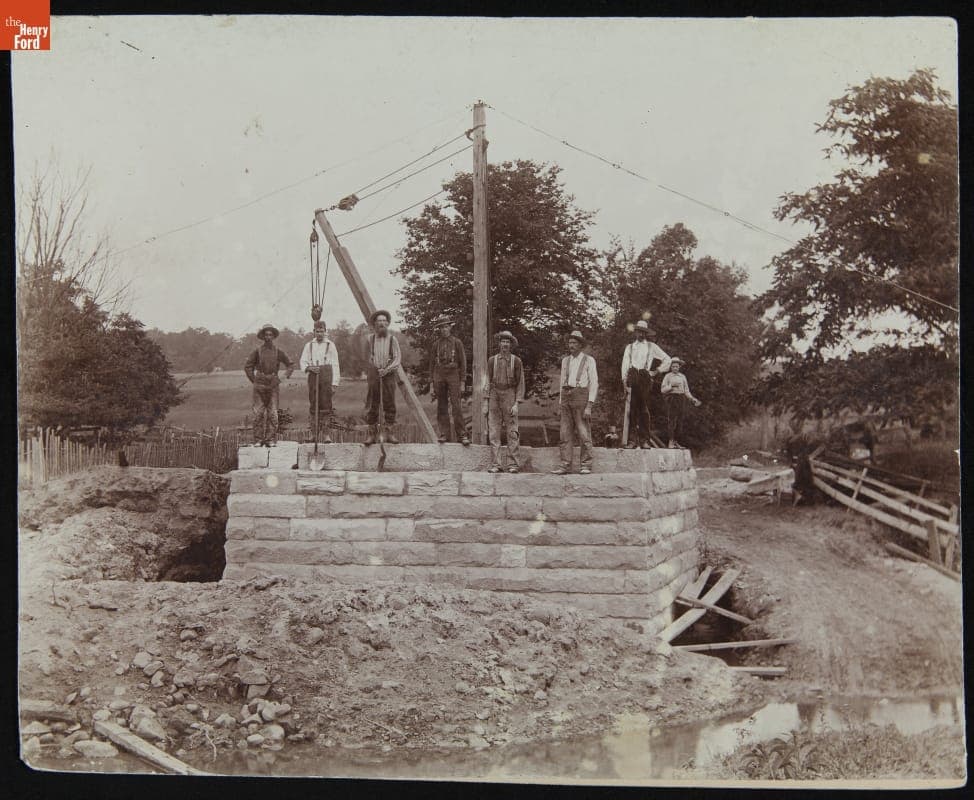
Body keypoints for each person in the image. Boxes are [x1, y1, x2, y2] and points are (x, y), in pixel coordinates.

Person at [553, 330, 599, 475]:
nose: (571, 345)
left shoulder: (589, 360)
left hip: (581, 397)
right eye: (570, 343)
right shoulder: (565, 360)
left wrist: (590, 405)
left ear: (580, 345)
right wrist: (561, 403)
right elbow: (561, 383)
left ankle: (586, 465)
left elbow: (594, 382)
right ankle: (565, 465)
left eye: (574, 343)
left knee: (583, 432)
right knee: (564, 433)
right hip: (566, 396)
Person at [621, 319, 671, 449]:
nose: (641, 334)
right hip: (632, 377)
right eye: (639, 331)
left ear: (646, 333)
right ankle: (632, 441)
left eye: (643, 332)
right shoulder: (630, 347)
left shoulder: (651, 346)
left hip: (644, 377)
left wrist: (656, 371)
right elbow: (625, 365)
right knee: (632, 410)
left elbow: (668, 360)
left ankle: (644, 440)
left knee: (643, 409)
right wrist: (624, 382)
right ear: (635, 332)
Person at [244, 323, 294, 446]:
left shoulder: (278, 351)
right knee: (258, 413)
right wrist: (254, 380)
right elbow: (248, 366)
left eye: (270, 334)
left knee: (273, 413)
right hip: (259, 384)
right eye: (266, 334)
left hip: (273, 384)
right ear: (262, 336)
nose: (268, 337)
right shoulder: (257, 351)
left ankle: (270, 439)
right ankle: (258, 439)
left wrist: (282, 378)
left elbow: (290, 365)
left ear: (273, 336)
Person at [484, 330, 525, 473]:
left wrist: (517, 403)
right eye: (503, 342)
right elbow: (487, 381)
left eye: (507, 342)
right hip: (495, 394)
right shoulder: (492, 360)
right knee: (494, 430)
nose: (505, 345)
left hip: (510, 394)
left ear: (511, 344)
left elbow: (520, 383)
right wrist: (485, 401)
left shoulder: (516, 361)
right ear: (499, 343)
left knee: (512, 430)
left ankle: (513, 464)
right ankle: (496, 464)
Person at [429, 315, 469, 445]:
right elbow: (431, 365)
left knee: (456, 406)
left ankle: (462, 435)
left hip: (453, 375)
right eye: (442, 327)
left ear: (450, 327)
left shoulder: (457, 342)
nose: (444, 329)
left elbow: (463, 363)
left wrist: (462, 382)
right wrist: (431, 384)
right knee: (442, 406)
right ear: (439, 329)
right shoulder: (436, 344)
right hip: (439, 375)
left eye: (446, 326)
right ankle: (444, 434)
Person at [299, 320, 341, 444]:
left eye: (322, 331)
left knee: (326, 405)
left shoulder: (330, 345)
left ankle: (327, 435)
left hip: (326, 375)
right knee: (313, 405)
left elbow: (335, 364)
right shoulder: (309, 345)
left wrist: (334, 383)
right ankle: (314, 434)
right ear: (314, 332)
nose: (320, 334)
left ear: (325, 331)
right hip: (313, 376)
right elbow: (303, 361)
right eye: (317, 331)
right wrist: (310, 368)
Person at [363, 309, 401, 445]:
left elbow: (397, 358)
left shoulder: (393, 339)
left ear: (388, 324)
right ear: (374, 324)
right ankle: (372, 434)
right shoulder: (370, 339)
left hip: (388, 375)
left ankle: (389, 433)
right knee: (373, 403)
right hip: (374, 373)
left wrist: (387, 369)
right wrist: (374, 367)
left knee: (389, 403)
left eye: (384, 321)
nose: (382, 324)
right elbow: (367, 357)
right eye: (379, 321)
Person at [660, 357, 701, 449]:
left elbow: (686, 391)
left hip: (681, 399)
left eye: (677, 366)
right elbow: (662, 390)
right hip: (672, 399)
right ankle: (670, 441)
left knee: (680, 421)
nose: (675, 368)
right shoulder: (668, 376)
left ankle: (676, 442)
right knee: (672, 420)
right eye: (673, 366)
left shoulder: (682, 377)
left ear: (679, 367)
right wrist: (671, 387)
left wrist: (692, 399)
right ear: (670, 367)